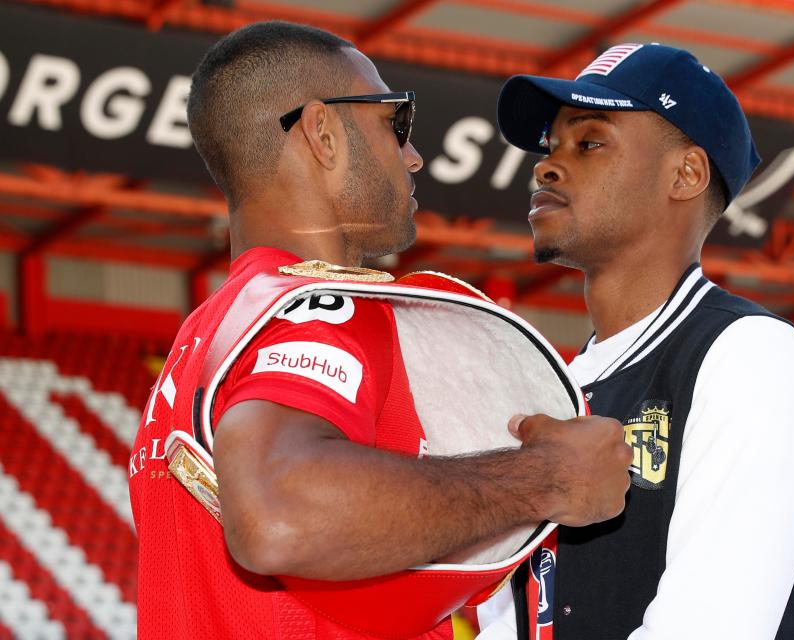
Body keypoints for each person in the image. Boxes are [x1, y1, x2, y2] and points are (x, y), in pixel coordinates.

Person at [127, 21, 635, 640]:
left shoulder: (206, 334)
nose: (413, 155)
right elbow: (278, 513)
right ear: (322, 133)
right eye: (395, 124)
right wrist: (548, 477)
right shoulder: (325, 307)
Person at [478, 43, 794, 639]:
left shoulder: (748, 355)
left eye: (589, 142)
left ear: (686, 174)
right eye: (550, 146)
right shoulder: (553, 388)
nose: (546, 166)